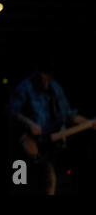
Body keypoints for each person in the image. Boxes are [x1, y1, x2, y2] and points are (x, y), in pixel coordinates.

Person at [9, 57, 96, 195]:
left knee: (56, 180)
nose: (45, 83)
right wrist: (30, 125)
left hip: (53, 145)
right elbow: (13, 113)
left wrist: (89, 123)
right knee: (33, 179)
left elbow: (68, 114)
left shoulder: (55, 87)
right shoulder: (24, 88)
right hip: (30, 146)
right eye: (43, 78)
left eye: (48, 78)